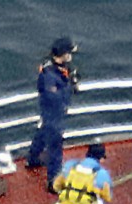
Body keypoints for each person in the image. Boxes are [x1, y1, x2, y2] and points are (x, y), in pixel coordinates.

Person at [25, 37, 79, 193]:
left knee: (42, 134)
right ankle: (53, 181)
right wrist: (70, 86)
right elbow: (54, 97)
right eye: (69, 52)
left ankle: (33, 159)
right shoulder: (50, 76)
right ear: (63, 54)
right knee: (55, 148)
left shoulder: (53, 68)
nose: (70, 56)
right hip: (53, 114)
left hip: (49, 114)